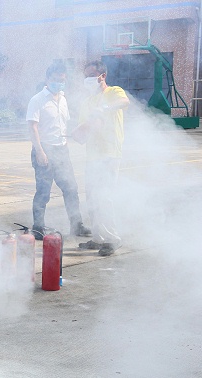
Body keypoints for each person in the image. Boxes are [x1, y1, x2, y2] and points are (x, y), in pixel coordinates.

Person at [26, 62, 91, 240]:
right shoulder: (37, 99)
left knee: (71, 188)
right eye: (55, 80)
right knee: (43, 191)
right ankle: (38, 227)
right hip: (44, 150)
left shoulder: (63, 99)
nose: (59, 83)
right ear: (47, 79)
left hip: (62, 150)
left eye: (62, 80)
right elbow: (33, 127)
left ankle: (76, 225)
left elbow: (63, 124)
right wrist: (39, 151)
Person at [73, 60, 129, 256]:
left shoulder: (113, 92)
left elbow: (124, 102)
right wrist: (77, 135)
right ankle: (98, 238)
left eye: (91, 75)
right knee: (92, 198)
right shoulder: (86, 102)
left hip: (110, 154)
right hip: (93, 157)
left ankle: (113, 239)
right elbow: (84, 128)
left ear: (102, 76)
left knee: (105, 197)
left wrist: (104, 108)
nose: (88, 80)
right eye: (85, 76)